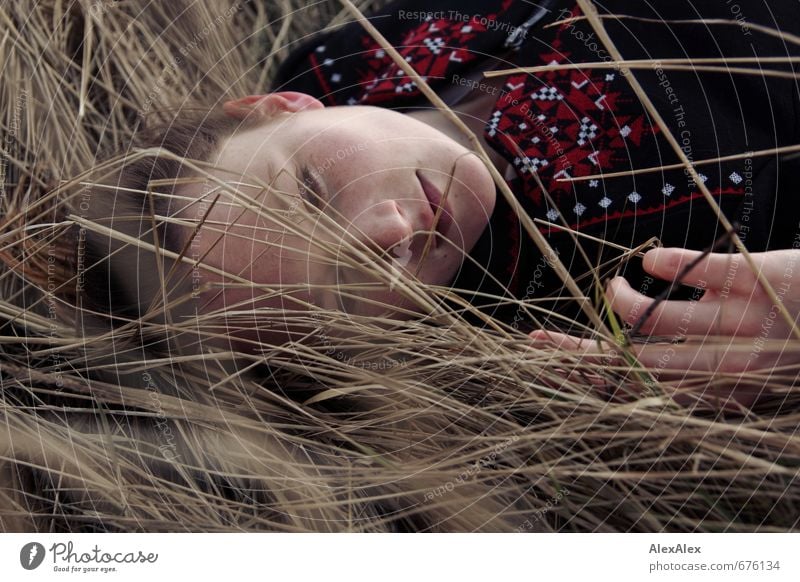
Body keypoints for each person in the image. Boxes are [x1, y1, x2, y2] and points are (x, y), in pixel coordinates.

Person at [76, 0, 799, 408]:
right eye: (343, 292)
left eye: (312, 191)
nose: (391, 231)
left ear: (280, 106)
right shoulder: (584, 310)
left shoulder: (348, 55)